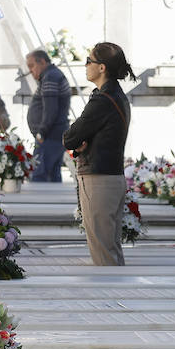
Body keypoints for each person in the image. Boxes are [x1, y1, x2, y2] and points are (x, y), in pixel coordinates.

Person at [63, 42, 133, 266]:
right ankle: (119, 299)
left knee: (103, 253)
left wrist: (81, 141)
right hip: (109, 176)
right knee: (110, 249)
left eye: (89, 61)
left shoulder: (103, 100)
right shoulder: (115, 95)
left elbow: (70, 137)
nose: (85, 65)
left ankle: (112, 301)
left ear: (102, 67)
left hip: (99, 179)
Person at [25, 49, 72, 182]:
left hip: (49, 136)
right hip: (54, 135)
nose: (30, 71)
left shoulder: (50, 77)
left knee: (40, 176)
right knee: (52, 176)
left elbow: (51, 109)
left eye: (32, 66)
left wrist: (41, 133)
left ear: (43, 62)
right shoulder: (52, 75)